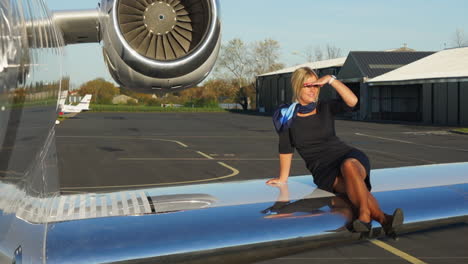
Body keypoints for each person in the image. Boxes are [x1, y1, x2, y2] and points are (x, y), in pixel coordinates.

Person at [266, 67, 403, 238]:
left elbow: (353, 102)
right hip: (324, 170)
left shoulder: (325, 107)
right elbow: (286, 148)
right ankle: (385, 220)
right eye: (308, 86)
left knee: (349, 165)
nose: (313, 90)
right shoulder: (286, 116)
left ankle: (364, 217)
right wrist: (282, 178)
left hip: (347, 156)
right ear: (297, 87)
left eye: (316, 86)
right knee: (355, 190)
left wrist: (331, 80)